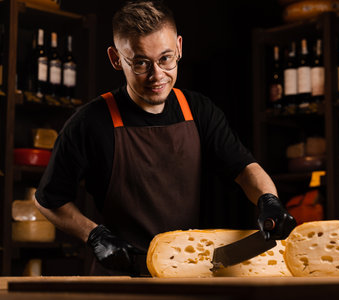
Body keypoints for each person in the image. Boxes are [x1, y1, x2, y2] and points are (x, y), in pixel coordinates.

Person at [35, 0, 296, 276]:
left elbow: (244, 169)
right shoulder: (89, 122)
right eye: (140, 63)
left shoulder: (198, 110)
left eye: (166, 59)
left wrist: (269, 201)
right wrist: (95, 235)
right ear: (115, 58)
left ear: (180, 48)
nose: (157, 75)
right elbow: (48, 200)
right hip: (123, 276)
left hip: (188, 273)